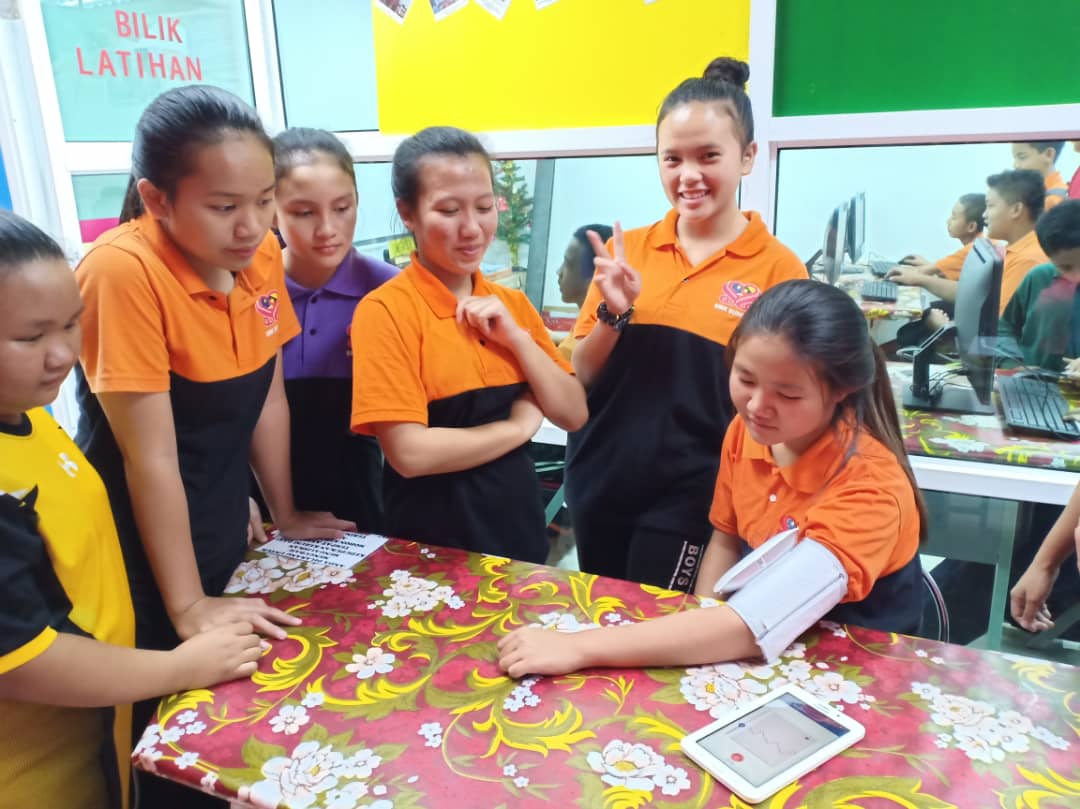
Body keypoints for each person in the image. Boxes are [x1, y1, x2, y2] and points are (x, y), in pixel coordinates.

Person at [73, 85, 353, 808]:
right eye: (225, 206)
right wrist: (189, 605)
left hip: (221, 521)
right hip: (137, 545)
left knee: (244, 730)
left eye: (263, 200)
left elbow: (267, 395)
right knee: (166, 738)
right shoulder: (121, 272)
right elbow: (151, 459)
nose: (252, 225)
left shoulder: (259, 257)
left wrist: (285, 511)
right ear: (156, 199)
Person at [498, 279, 926, 677]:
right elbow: (725, 537)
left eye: (788, 394)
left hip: (853, 669)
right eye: (745, 379)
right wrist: (701, 622)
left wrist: (578, 647)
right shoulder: (749, 431)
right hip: (768, 648)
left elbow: (754, 623)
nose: (756, 406)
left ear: (842, 391)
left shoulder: (870, 488)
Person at [0, 210, 262, 809]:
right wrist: (181, 668)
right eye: (31, 338)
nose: (62, 354)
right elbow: (22, 658)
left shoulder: (31, 418)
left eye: (72, 324)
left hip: (88, 747)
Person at [564, 57, 807, 592]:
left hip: (697, 495)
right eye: (672, 158)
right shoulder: (629, 251)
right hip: (600, 479)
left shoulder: (778, 269)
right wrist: (613, 314)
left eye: (708, 156)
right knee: (603, 617)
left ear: (747, 157)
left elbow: (784, 402)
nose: (688, 175)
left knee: (658, 625)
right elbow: (582, 374)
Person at [350, 126, 587, 563]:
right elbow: (409, 453)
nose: (472, 229)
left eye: (484, 206)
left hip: (519, 537)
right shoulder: (385, 311)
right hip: (430, 551)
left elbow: (573, 412)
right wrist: (517, 428)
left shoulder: (512, 305)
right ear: (407, 213)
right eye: (449, 210)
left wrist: (517, 340)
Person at [272, 127, 398, 532]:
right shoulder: (249, 289)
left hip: (359, 497)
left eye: (342, 207)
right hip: (261, 498)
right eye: (304, 212)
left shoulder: (390, 291)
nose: (327, 228)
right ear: (269, 209)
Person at [890, 170, 1048, 315]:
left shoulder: (1027, 260)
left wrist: (938, 324)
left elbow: (997, 327)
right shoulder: (1013, 250)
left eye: (990, 206)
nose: (984, 215)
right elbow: (973, 294)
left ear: (1016, 210)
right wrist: (920, 279)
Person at [997, 200, 1080, 370]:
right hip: (1034, 382)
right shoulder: (1039, 278)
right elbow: (1004, 330)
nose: (1077, 276)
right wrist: (1013, 365)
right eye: (1066, 267)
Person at [892, 193, 986, 282]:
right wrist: (928, 265)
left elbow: (919, 273)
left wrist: (892, 272)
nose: (948, 221)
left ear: (971, 227)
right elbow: (945, 273)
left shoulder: (972, 251)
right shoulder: (982, 244)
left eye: (954, 217)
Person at [555, 224, 612, 361]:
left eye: (568, 263)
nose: (559, 272)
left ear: (594, 276)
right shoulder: (614, 325)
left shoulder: (570, 353)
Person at [1011, 140, 1068, 210]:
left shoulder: (1054, 201)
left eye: (1022, 157)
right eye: (1014, 158)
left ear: (1049, 155)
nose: (1015, 165)